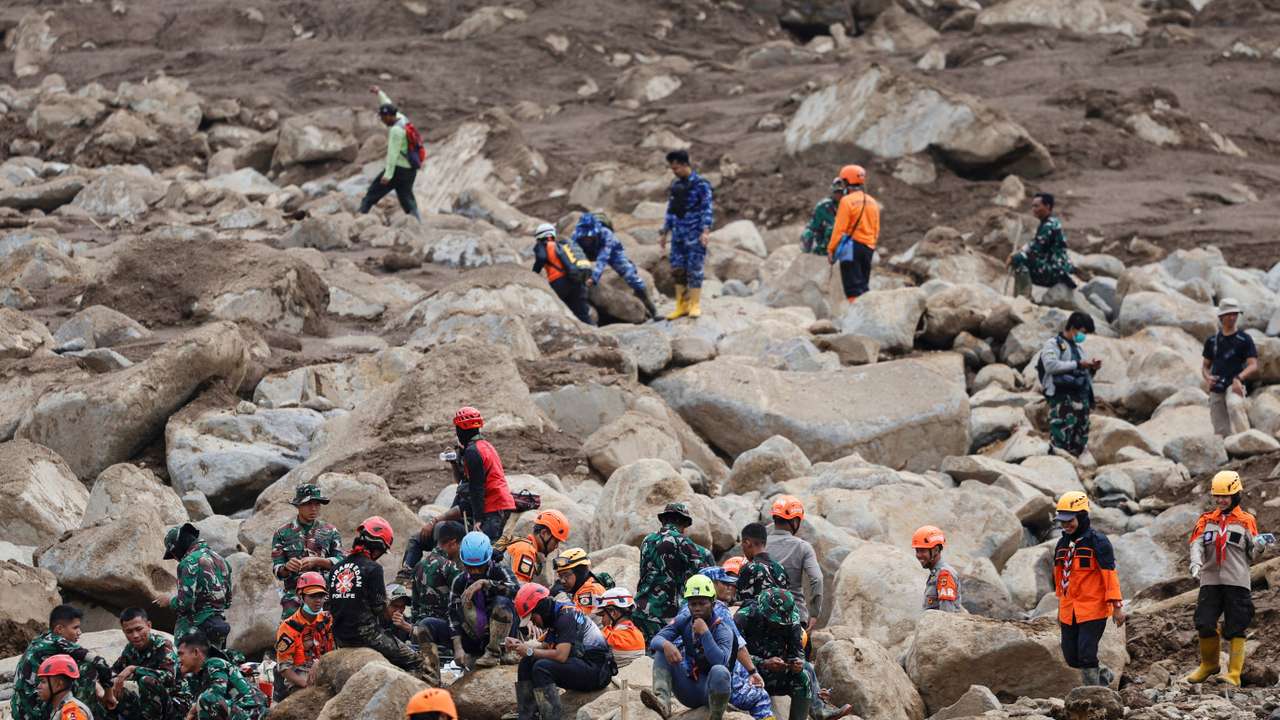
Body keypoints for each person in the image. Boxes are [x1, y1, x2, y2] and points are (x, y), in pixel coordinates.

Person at [642, 576, 773, 720]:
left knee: (720, 671)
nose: (697, 608)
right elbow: (656, 639)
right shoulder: (684, 621)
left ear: (712, 603)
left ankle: (715, 717)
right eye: (693, 604)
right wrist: (667, 645)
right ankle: (662, 702)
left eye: (702, 603)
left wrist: (705, 633)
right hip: (689, 688)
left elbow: (720, 661)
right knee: (662, 650)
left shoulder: (723, 629)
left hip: (711, 692)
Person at [1185, 471, 1273, 686]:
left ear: (1236, 495)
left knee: (1236, 625)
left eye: (1225, 496)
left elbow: (1252, 554)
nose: (1221, 500)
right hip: (1210, 581)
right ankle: (1209, 665)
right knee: (1204, 622)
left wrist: (1260, 545)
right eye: (1217, 496)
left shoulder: (1246, 521)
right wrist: (1195, 562)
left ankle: (1233, 674)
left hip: (1237, 581)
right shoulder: (1206, 520)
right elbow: (1196, 543)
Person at [329, 516, 428, 676]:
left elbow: (332, 604)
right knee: (416, 661)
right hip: (366, 635)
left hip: (340, 636)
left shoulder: (337, 568)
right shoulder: (373, 568)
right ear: (377, 548)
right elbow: (379, 607)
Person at [508, 584, 615, 720]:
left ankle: (552, 717)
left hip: (597, 672)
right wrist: (520, 646)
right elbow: (546, 646)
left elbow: (561, 655)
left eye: (533, 619)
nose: (534, 624)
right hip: (582, 662)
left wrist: (529, 651)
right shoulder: (556, 615)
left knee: (541, 668)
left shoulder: (566, 616)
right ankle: (526, 715)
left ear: (541, 610)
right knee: (526, 662)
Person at [1053, 492, 1125, 687]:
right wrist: (1060, 608)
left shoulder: (1098, 542)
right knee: (1071, 657)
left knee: (1086, 654)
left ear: (1083, 516)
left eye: (1070, 520)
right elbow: (1060, 579)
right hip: (1069, 610)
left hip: (1093, 609)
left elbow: (1110, 576)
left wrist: (1117, 606)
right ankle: (1102, 674)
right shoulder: (1062, 544)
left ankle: (1092, 693)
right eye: (1062, 521)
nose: (1066, 525)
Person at [633, 503, 716, 641]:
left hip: (641, 609)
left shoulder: (646, 540)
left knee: (645, 655)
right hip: (665, 614)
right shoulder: (682, 541)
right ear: (682, 523)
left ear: (664, 520)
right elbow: (703, 575)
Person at [12, 606, 110, 720]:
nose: (79, 632)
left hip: (20, 709)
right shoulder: (58, 642)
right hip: (36, 710)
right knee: (86, 668)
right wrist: (109, 693)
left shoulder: (41, 640)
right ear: (59, 629)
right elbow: (100, 662)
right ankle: (79, 713)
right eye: (75, 628)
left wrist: (97, 686)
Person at [734, 588, 810, 720]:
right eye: (775, 621)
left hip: (776, 673)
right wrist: (763, 663)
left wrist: (797, 663)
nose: (779, 625)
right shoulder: (744, 617)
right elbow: (732, 654)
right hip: (748, 673)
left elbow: (798, 652)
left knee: (803, 678)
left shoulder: (792, 620)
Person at [271, 484, 344, 619]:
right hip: (295, 594)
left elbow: (342, 563)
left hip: (324, 593)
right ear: (298, 506)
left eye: (317, 504)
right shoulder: (282, 533)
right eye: (308, 504)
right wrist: (287, 567)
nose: (313, 508)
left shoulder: (330, 531)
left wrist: (318, 561)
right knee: (291, 632)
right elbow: (277, 568)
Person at [449, 531, 520, 670]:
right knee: (428, 625)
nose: (475, 572)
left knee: (502, 602)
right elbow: (452, 615)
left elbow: (516, 590)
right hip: (474, 636)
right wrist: (458, 648)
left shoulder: (500, 571)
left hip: (505, 637)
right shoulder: (459, 581)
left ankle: (495, 652)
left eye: (479, 567)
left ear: (488, 561)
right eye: (470, 568)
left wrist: (486, 583)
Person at [159, 523, 233, 650]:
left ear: (177, 548)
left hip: (195, 630)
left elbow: (185, 603)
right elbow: (227, 601)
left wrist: (169, 601)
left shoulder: (188, 562)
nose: (175, 558)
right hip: (219, 626)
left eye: (173, 554)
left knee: (191, 668)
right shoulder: (222, 560)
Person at [573, 211, 659, 320]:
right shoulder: (576, 236)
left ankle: (652, 309)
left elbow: (603, 258)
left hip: (612, 253)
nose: (586, 239)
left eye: (589, 237)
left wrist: (593, 278)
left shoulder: (607, 235)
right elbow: (572, 252)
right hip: (586, 253)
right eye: (584, 237)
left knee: (631, 276)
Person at [660, 149, 715, 320]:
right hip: (678, 235)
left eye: (676, 168)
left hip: (695, 233)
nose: (674, 171)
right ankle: (681, 305)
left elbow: (707, 209)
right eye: (672, 168)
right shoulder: (676, 186)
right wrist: (664, 233)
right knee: (678, 269)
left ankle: (695, 304)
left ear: (685, 165)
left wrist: (705, 231)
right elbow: (671, 210)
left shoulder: (701, 185)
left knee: (695, 269)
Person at [1039, 312, 1100, 458]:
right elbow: (1050, 365)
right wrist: (1078, 364)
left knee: (1080, 439)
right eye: (1082, 332)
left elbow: (1083, 376)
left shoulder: (1079, 349)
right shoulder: (1053, 344)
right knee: (1060, 437)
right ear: (1073, 327)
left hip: (1081, 399)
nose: (1083, 336)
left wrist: (1091, 368)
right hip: (1062, 399)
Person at [358, 85, 421, 220]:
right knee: (406, 198)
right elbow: (387, 103)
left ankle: (359, 219)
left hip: (398, 169)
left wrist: (388, 175)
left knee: (372, 193)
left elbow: (392, 154)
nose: (382, 120)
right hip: (410, 169)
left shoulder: (396, 131)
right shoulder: (402, 118)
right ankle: (418, 222)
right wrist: (379, 93)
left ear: (388, 116)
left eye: (382, 117)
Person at [273, 571, 334, 701]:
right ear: (301, 596)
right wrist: (306, 685)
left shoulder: (328, 620)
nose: (318, 600)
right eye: (313, 596)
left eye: (321, 596)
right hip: (300, 677)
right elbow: (284, 668)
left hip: (325, 669)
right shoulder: (288, 627)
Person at [106, 608, 177, 720]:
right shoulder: (130, 649)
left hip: (172, 704)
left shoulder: (163, 645)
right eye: (129, 632)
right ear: (124, 632)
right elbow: (114, 670)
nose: (135, 635)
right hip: (144, 704)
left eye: (139, 629)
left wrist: (134, 669)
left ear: (149, 625)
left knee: (146, 680)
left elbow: (169, 677)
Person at [175, 632, 264, 720]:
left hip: (252, 714)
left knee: (206, 699)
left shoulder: (215, 663)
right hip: (237, 713)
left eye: (181, 654)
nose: (178, 660)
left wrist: (192, 712)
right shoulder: (195, 677)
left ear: (195, 652)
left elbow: (215, 694)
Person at [1202, 298, 1258, 437]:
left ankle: (1248, 440)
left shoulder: (1244, 339)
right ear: (1221, 316)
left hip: (1235, 384)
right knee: (1220, 430)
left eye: (1235, 314)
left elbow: (1253, 365)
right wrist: (1207, 378)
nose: (1233, 317)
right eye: (1229, 314)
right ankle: (1228, 452)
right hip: (1217, 386)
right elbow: (1205, 366)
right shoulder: (1212, 341)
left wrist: (1239, 378)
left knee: (1234, 405)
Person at [766, 496, 824, 631]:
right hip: (795, 615)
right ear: (794, 520)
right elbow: (817, 579)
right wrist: (814, 613)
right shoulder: (803, 547)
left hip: (764, 615)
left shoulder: (761, 545)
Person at [826, 164, 881, 303]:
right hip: (868, 248)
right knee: (863, 285)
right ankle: (866, 312)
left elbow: (839, 229)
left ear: (846, 181)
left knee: (852, 288)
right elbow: (876, 229)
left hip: (849, 246)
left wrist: (831, 249)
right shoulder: (872, 202)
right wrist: (871, 246)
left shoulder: (846, 201)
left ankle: (857, 315)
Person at [410, 521, 465, 658]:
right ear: (452, 543)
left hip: (420, 633)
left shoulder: (419, 565)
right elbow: (461, 602)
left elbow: (414, 605)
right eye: (460, 545)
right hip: (442, 634)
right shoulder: (450, 567)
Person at [1008, 192, 1074, 297]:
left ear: (1047, 206)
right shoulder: (1049, 222)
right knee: (1020, 257)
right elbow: (1035, 243)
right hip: (1057, 269)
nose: (1033, 209)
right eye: (1033, 206)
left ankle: (1023, 297)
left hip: (1056, 271)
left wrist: (1016, 257)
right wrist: (1021, 250)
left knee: (1019, 260)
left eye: (1037, 206)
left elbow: (1035, 250)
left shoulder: (1049, 225)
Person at [532, 222, 595, 324]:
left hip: (559, 282)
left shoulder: (543, 245)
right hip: (577, 280)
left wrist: (534, 273)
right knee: (582, 314)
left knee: (558, 310)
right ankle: (594, 333)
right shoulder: (562, 246)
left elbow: (541, 258)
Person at [503, 509, 571, 584]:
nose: (556, 546)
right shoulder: (526, 550)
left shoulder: (527, 546)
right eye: (556, 541)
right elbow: (520, 588)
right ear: (544, 533)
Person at [735, 522, 790, 607]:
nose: (743, 549)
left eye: (743, 544)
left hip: (755, 619)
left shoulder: (749, 568)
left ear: (747, 543)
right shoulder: (780, 568)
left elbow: (741, 603)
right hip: (780, 619)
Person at [912, 526, 963, 613]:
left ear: (936, 550)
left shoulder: (945, 575)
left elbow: (946, 615)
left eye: (923, 551)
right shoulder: (935, 574)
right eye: (917, 551)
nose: (919, 555)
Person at [594, 588, 646, 668]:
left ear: (613, 612)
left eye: (603, 615)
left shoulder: (611, 637)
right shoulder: (638, 634)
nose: (602, 620)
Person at [551, 548, 608, 616]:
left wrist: (559, 598)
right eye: (560, 576)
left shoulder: (590, 590)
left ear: (579, 573)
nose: (562, 581)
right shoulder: (580, 589)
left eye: (566, 575)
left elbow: (576, 620)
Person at [35, 655, 93, 720]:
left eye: (43, 682)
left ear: (59, 684)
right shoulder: (60, 709)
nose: (38, 686)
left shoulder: (71, 711)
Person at [800, 179, 845, 256]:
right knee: (808, 235)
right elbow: (813, 225)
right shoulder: (823, 206)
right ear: (832, 192)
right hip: (824, 236)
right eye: (836, 192)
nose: (838, 195)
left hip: (842, 237)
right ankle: (822, 248)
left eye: (840, 192)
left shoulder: (848, 205)